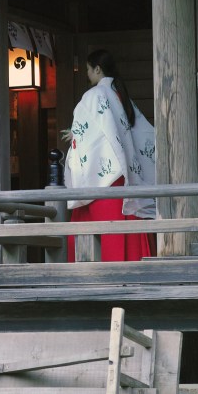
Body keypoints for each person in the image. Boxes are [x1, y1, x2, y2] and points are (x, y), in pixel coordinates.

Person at [61, 49, 156, 262]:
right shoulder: (122, 97)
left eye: (87, 69)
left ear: (97, 69)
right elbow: (141, 133)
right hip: (124, 177)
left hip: (103, 180)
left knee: (100, 234)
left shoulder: (94, 95)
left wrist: (76, 136)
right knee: (127, 227)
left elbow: (91, 135)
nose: (87, 74)